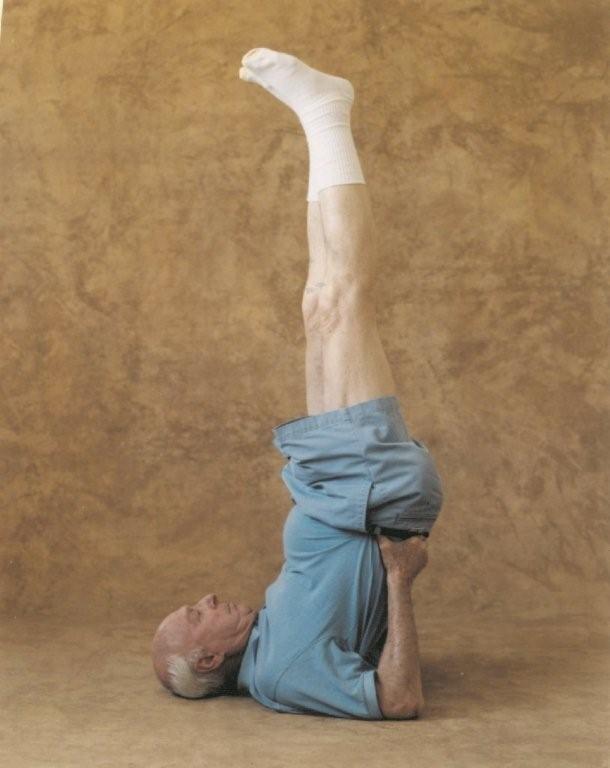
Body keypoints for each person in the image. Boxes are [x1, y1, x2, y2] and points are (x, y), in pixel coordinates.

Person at [151, 48, 444, 719]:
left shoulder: (268, 645)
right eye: (198, 614)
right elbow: (399, 700)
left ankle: (323, 111)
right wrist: (399, 582)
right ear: (205, 660)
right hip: (370, 493)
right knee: (343, 300)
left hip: (335, 484)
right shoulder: (283, 676)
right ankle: (324, 111)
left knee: (317, 303)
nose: (207, 599)